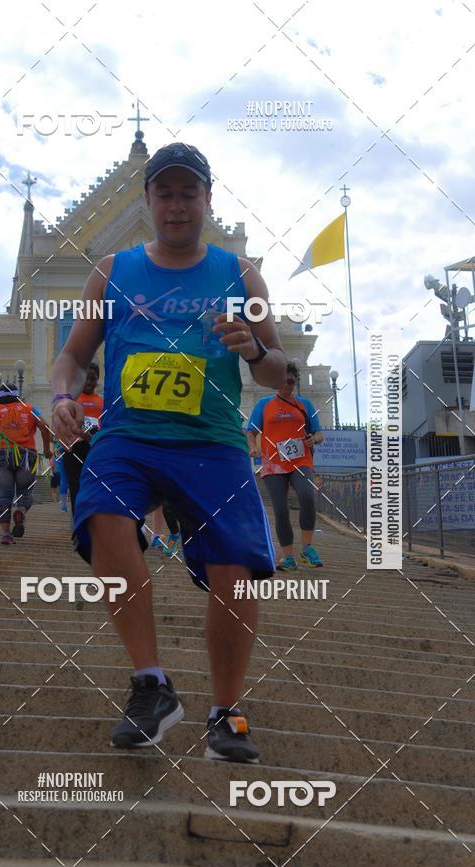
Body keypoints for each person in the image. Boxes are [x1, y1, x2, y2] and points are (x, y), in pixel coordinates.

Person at [51, 142, 286, 764]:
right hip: (130, 436)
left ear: (208, 199)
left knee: (235, 574)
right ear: (149, 200)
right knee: (102, 511)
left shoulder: (241, 275)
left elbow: (279, 371)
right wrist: (61, 395)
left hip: (211, 440)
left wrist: (255, 353)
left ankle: (224, 712)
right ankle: (151, 685)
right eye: (165, 193)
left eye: (189, 193)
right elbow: (73, 355)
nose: (177, 206)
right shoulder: (113, 270)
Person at [247, 362, 324, 570]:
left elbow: (319, 433)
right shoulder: (264, 405)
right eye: (282, 381)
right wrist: (253, 446)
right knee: (280, 509)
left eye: (290, 381)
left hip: (301, 460)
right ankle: (288, 557)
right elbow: (250, 431)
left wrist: (313, 440)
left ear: (296, 381)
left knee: (307, 497)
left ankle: (307, 548)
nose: (286, 385)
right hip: (273, 464)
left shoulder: (305, 405)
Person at [0, 384, 51, 545]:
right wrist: (47, 449)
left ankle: (6, 534)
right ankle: (21, 511)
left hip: (0, 454)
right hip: (27, 455)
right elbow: (45, 426)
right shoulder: (29, 409)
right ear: (17, 396)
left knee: (4, 495)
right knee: (25, 492)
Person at [61, 363, 103, 516]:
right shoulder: (71, 400)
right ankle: (79, 522)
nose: (89, 382)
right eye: (85, 379)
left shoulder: (102, 401)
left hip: (95, 449)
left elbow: (106, 425)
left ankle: (93, 522)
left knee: (95, 486)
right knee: (76, 488)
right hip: (74, 449)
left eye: (92, 379)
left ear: (97, 379)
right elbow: (62, 425)